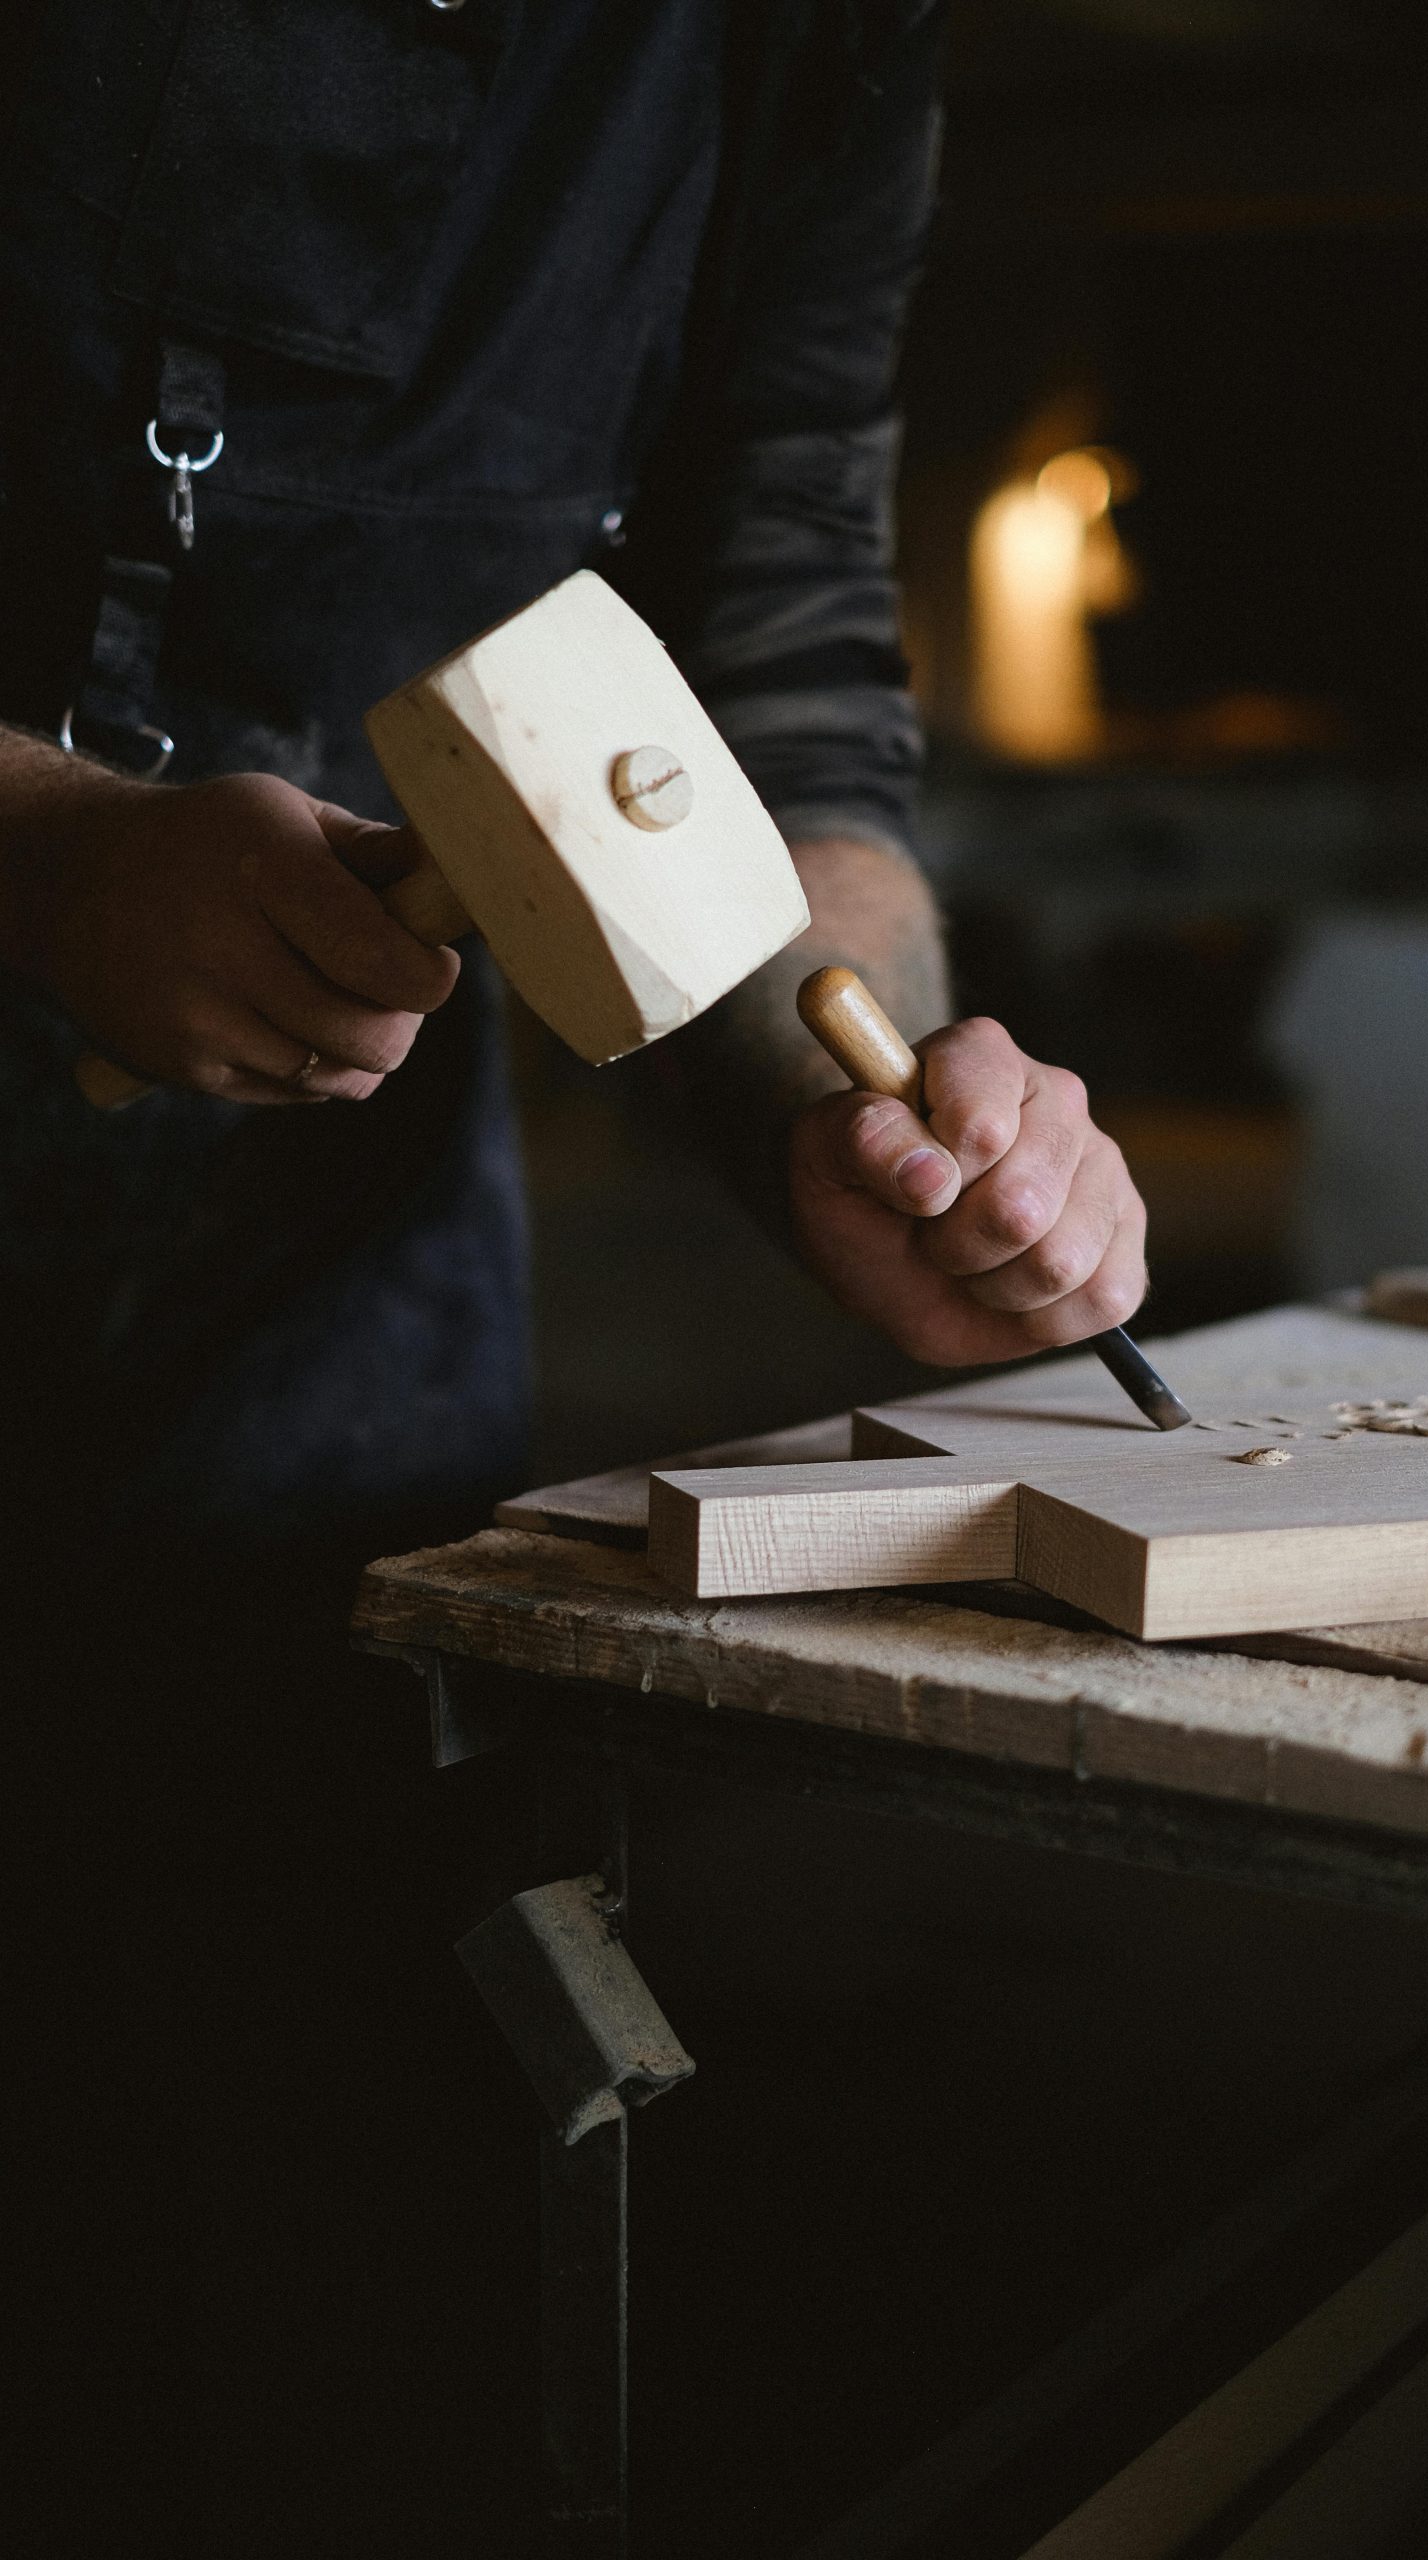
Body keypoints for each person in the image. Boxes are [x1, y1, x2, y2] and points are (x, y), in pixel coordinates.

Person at [0, 4, 1148, 2546]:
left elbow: (774, 670)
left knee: (328, 2220)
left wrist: (835, 1108)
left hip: (325, 1300)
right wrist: (44, 845)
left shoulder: (807, 46)